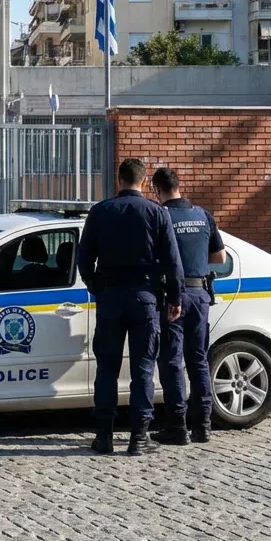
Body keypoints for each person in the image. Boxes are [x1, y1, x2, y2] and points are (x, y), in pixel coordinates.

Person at [78, 157, 184, 456]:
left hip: (110, 297)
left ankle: (104, 436)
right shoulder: (157, 213)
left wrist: (96, 287)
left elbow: (84, 258)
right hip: (145, 298)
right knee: (143, 368)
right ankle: (139, 437)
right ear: (143, 180)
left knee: (107, 367)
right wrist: (175, 299)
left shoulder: (100, 212)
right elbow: (173, 261)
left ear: (119, 179)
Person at [149, 167, 226, 446]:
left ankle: (177, 427)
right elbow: (219, 256)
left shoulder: (161, 217)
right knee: (198, 361)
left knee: (171, 362)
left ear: (156, 190)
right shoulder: (203, 215)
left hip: (173, 296)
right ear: (178, 186)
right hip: (201, 294)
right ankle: (203, 426)